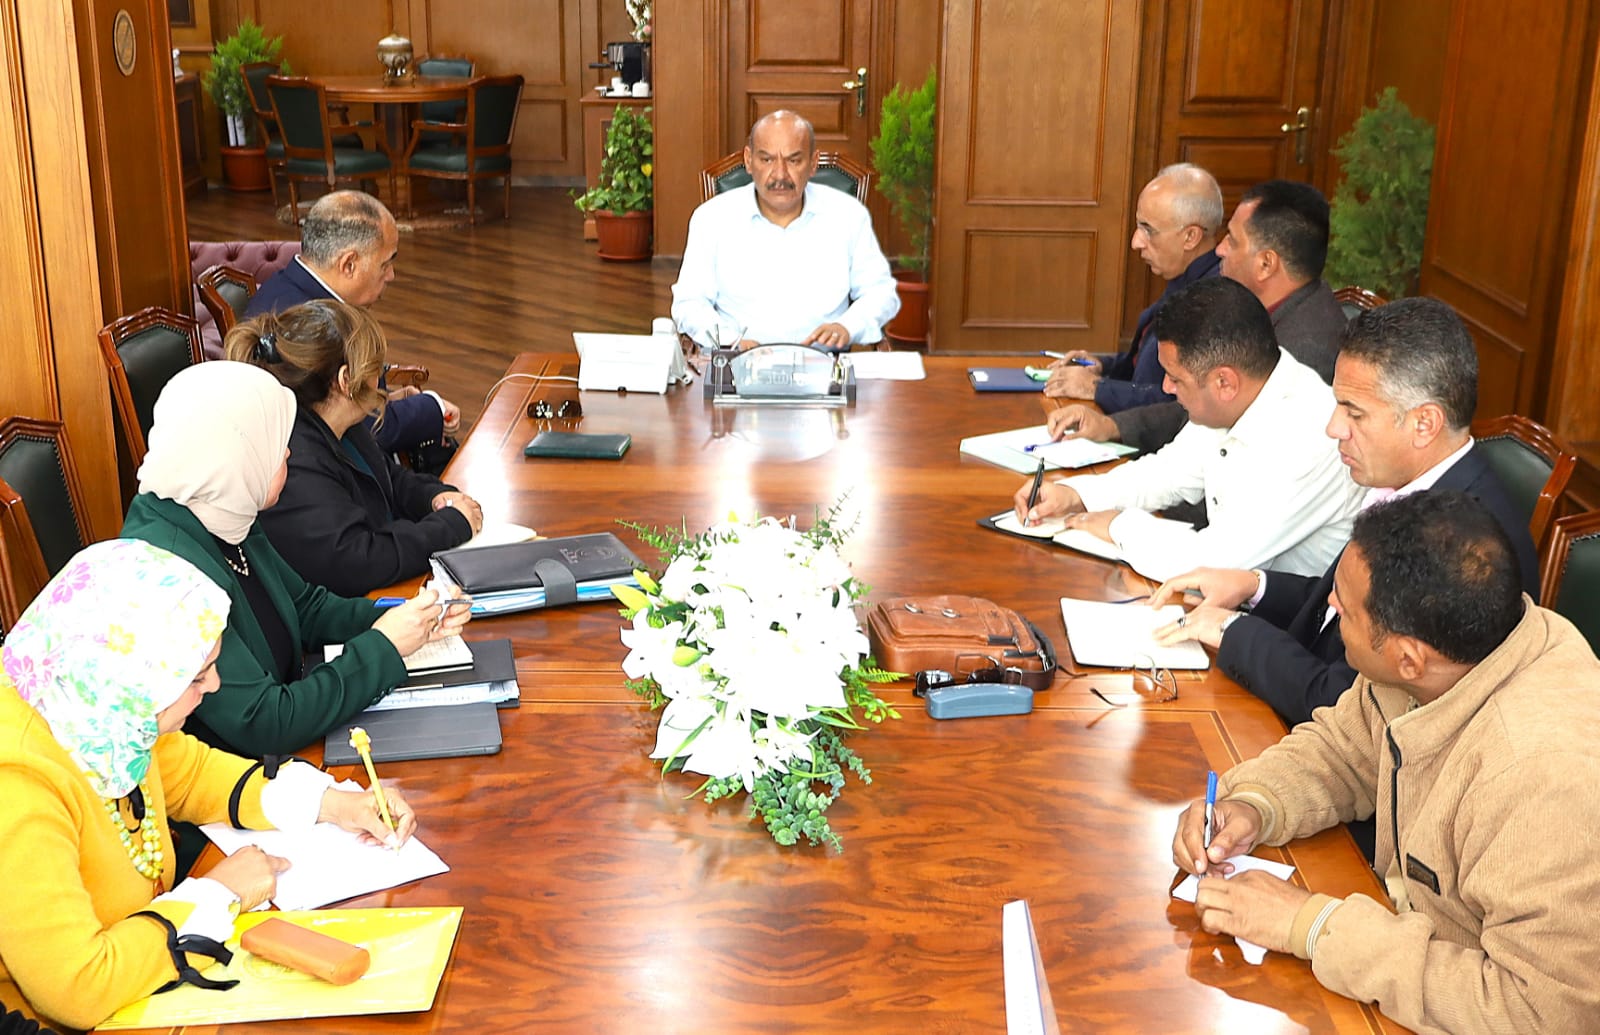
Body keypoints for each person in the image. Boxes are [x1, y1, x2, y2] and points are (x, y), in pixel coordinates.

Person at [1171, 491, 1600, 1033]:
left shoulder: (1543, 779)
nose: (1328, 604)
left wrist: (1312, 926)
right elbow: (1343, 749)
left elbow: (1542, 1013)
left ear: (1408, 659)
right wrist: (1254, 804)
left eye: (1345, 610)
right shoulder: (1447, 654)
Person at [0, 539, 419, 1031]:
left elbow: (193, 775)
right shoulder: (17, 784)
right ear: (129, 683)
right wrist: (220, 895)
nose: (215, 685)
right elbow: (77, 989)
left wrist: (334, 803)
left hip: (148, 984)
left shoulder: (101, 711)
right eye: (198, 677)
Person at [1149, 298, 1541, 729]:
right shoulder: (1408, 484)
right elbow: (1341, 608)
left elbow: (1340, 701)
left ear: (1424, 424)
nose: (1333, 428)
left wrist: (1231, 631)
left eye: (1354, 412)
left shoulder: (1460, 549)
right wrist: (1253, 586)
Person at [120, 361, 468, 757]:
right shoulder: (168, 576)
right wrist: (384, 645)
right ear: (234, 458)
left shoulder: (223, 507)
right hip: (237, 775)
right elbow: (265, 722)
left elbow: (307, 608)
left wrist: (408, 617)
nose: (287, 452)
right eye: (272, 445)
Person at [1013, 277, 1363, 581]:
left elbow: (1215, 563)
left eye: (1175, 378)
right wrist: (1075, 494)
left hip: (1281, 621)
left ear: (1224, 382)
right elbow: (1169, 471)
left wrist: (1118, 525)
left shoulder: (1306, 436)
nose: (1166, 388)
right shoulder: (1244, 391)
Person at [1050, 179, 1348, 454]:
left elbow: (1213, 440)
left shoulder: (1305, 352)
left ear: (1266, 264)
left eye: (1232, 240)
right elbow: (1196, 408)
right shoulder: (1262, 307)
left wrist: (1112, 424)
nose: (1220, 249)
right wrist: (1112, 425)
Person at [230, 300, 483, 596]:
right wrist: (449, 527)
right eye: (376, 369)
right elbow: (356, 560)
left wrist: (434, 498)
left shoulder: (341, 423)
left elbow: (390, 479)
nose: (380, 381)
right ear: (346, 380)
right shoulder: (295, 461)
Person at [246, 190, 462, 462]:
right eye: (385, 264)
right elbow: (365, 432)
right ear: (348, 264)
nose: (391, 275)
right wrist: (432, 408)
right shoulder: (311, 327)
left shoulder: (284, 287)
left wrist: (387, 399)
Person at [671, 110, 899, 350]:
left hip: (824, 366)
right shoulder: (711, 218)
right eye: (767, 160)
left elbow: (880, 293)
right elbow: (689, 303)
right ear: (748, 160)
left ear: (813, 163)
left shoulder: (848, 216)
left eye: (793, 161)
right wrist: (730, 342)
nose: (780, 175)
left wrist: (847, 327)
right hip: (735, 364)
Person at [1042, 164, 1223, 448]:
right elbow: (1146, 366)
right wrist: (1104, 367)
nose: (1136, 242)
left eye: (1148, 230)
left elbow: (1177, 405)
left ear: (1190, 236)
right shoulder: (1183, 277)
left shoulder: (1213, 300)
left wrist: (1098, 389)